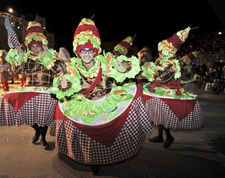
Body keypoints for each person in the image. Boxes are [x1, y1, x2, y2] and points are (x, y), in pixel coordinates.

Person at [48, 17, 152, 175]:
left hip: (106, 101)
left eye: (90, 50)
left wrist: (124, 67)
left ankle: (114, 153)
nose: (87, 54)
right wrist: (65, 85)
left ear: (96, 50)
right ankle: (94, 161)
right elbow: (68, 83)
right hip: (85, 103)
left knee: (134, 95)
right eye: (83, 50)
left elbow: (123, 68)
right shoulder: (73, 66)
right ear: (78, 50)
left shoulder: (106, 61)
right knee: (87, 134)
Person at [2, 20, 68, 150]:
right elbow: (17, 71)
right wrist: (20, 56)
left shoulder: (51, 57)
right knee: (26, 114)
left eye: (38, 46)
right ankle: (36, 130)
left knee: (43, 118)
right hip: (30, 90)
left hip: (46, 91)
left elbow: (58, 71)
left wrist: (47, 57)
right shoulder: (27, 59)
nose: (35, 49)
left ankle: (43, 138)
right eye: (33, 47)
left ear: (43, 45)